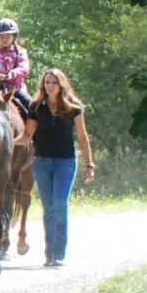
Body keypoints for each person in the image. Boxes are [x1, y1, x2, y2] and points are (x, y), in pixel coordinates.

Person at [23, 67, 95, 266]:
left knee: (60, 204)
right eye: (47, 82)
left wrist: (89, 163)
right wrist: (7, 143)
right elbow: (27, 136)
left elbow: (82, 136)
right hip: (41, 162)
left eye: (54, 82)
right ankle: (49, 253)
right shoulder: (36, 107)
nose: (50, 86)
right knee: (48, 208)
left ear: (61, 85)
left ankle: (59, 252)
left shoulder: (74, 108)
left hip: (65, 162)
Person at [0, 17, 34, 113]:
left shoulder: (21, 52)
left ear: (13, 37)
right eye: (1, 37)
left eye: (7, 37)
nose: (4, 39)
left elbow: (24, 68)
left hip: (15, 88)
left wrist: (13, 73)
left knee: (32, 107)